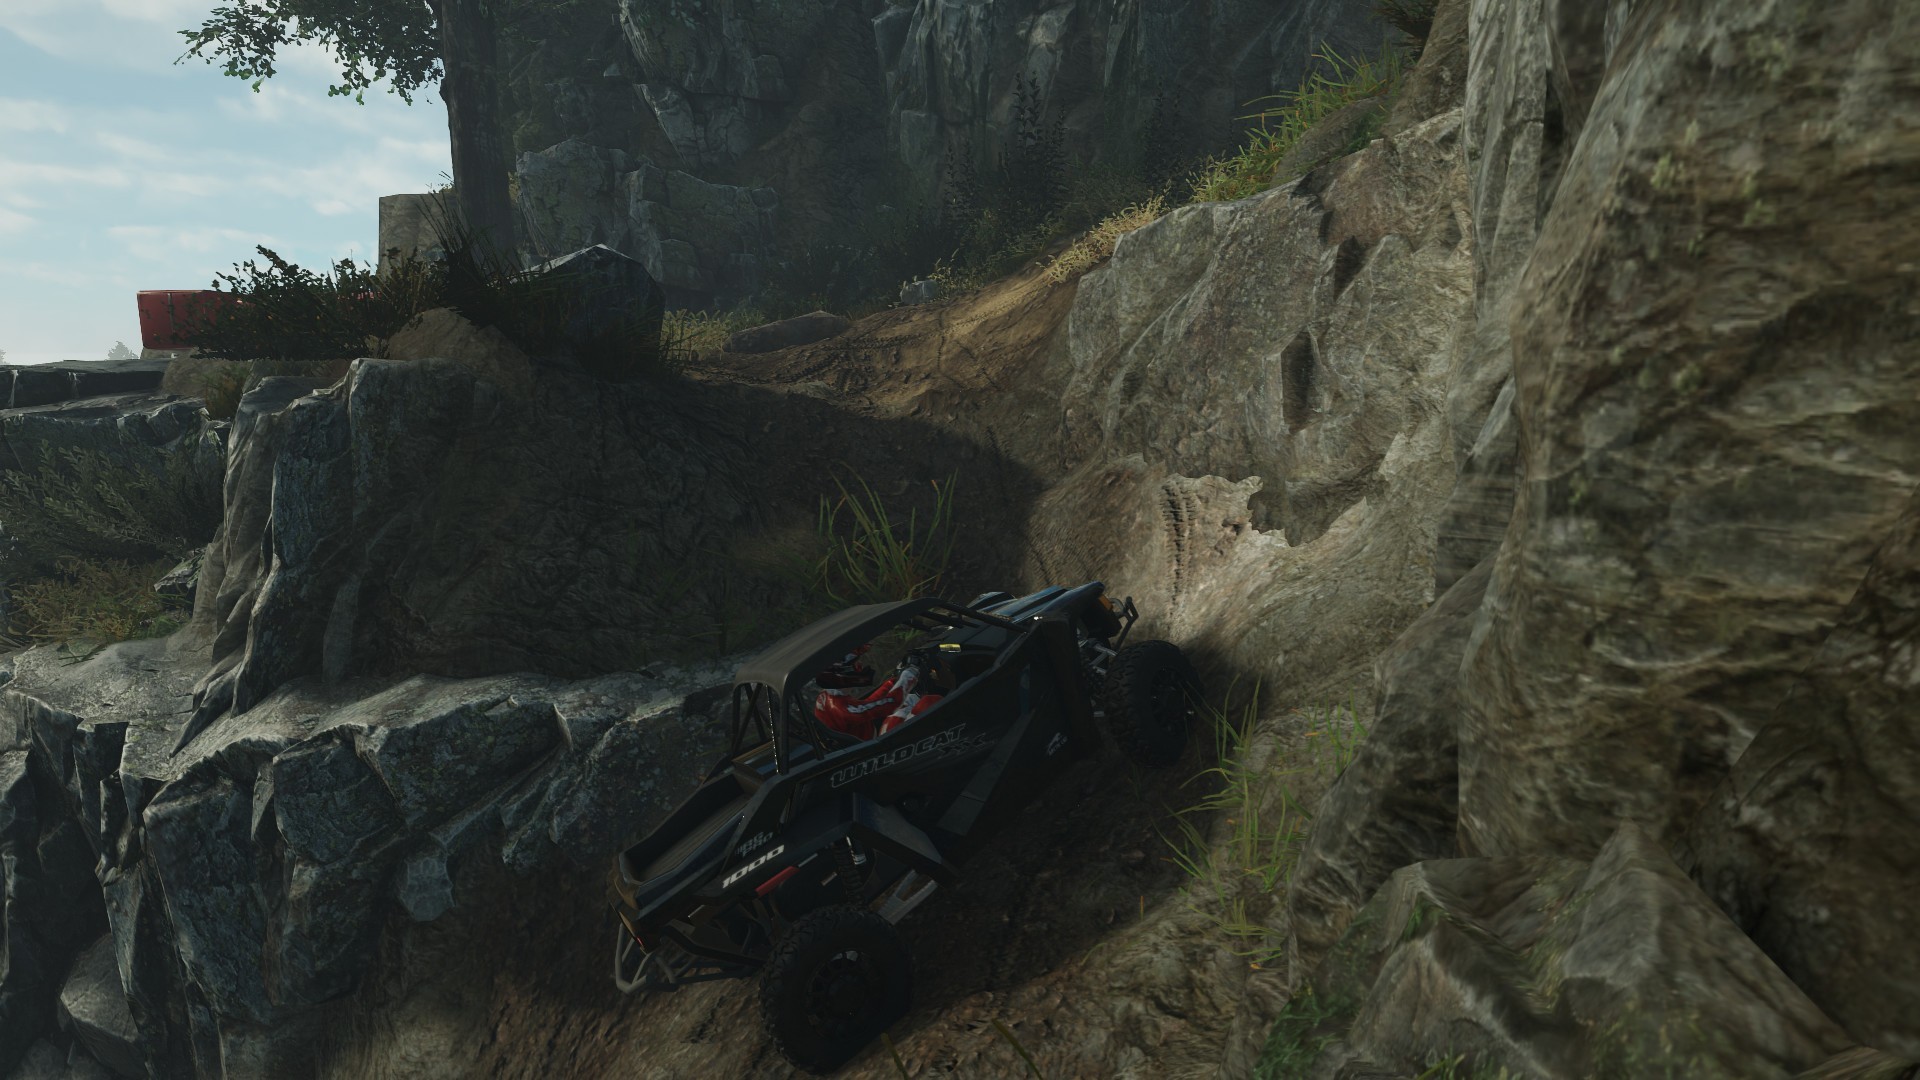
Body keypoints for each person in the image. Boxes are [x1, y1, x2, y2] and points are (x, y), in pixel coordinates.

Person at [813, 647, 943, 740]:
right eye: (855, 665)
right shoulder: (842, 708)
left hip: (875, 740)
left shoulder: (828, 697)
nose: (860, 667)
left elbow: (869, 705)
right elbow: (890, 704)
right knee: (929, 701)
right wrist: (910, 673)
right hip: (881, 748)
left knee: (911, 698)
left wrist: (893, 682)